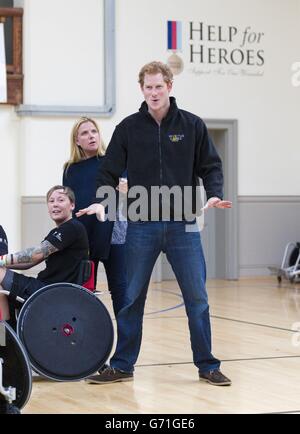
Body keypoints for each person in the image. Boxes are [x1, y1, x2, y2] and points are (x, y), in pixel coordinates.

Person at [77, 61, 232, 386]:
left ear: (169, 87)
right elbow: (108, 171)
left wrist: (215, 193)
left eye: (158, 86)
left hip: (183, 225)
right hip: (141, 224)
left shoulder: (192, 125)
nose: (153, 92)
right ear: (142, 90)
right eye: (148, 87)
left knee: (197, 297)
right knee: (132, 297)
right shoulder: (129, 128)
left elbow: (210, 165)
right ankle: (122, 365)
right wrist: (102, 202)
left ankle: (207, 365)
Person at [63, 117, 127, 316]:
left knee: (121, 289)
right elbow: (69, 202)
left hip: (114, 233)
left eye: (94, 131)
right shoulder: (69, 169)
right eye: (84, 133)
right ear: (77, 141)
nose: (91, 136)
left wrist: (127, 188)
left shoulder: (114, 161)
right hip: (84, 236)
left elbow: (130, 192)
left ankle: (126, 345)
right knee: (83, 291)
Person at [0, 185, 89, 321]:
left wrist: (2, 261)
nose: (55, 205)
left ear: (72, 205)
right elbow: (31, 262)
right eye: (51, 201)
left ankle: (4, 336)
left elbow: (35, 255)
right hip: (47, 288)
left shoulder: (71, 228)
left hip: (50, 291)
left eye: (60, 200)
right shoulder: (62, 231)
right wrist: (4, 266)